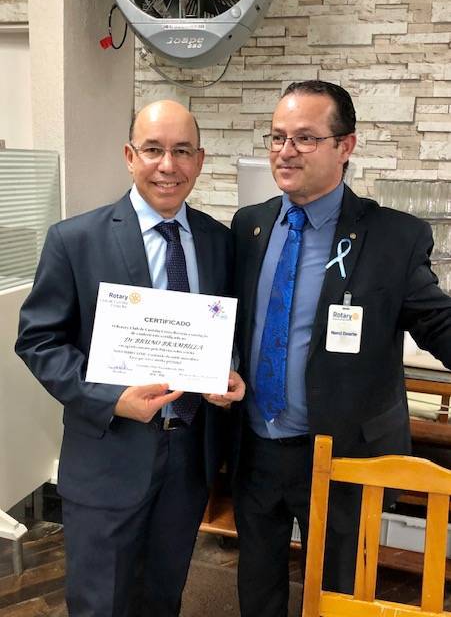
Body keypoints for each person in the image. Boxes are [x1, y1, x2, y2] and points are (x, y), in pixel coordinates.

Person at [15, 100, 245, 617]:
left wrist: (230, 374)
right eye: (153, 150)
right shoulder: (74, 240)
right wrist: (112, 398)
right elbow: (38, 341)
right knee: (101, 604)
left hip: (189, 459)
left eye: (182, 151)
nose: (168, 165)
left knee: (163, 598)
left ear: (200, 160)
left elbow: (229, 330)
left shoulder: (219, 241)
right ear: (129, 155)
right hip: (108, 455)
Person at [230, 80, 451, 617]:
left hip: (343, 454)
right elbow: (234, 323)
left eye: (305, 138)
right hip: (256, 448)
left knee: (337, 593)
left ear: (344, 146)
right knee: (256, 589)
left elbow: (438, 323)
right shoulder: (249, 226)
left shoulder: (393, 238)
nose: (286, 151)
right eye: (278, 136)